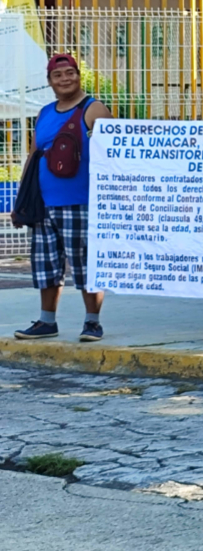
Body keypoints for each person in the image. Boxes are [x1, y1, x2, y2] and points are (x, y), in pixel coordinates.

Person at [14, 54, 112, 342]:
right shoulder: (44, 113)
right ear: (50, 82)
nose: (65, 79)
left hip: (81, 201)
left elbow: (114, 152)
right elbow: (34, 156)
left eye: (70, 73)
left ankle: (92, 322)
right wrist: (22, 199)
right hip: (44, 203)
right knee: (45, 264)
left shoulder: (93, 109)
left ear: (78, 76)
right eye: (58, 75)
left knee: (85, 264)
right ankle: (46, 321)